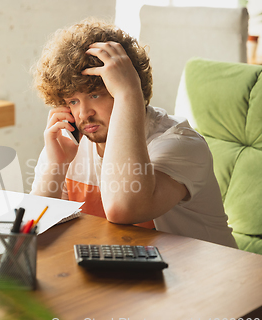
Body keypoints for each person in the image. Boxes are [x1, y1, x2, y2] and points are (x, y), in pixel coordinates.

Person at [30, 18, 237, 248]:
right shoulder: (70, 143)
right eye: (73, 101)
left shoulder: (180, 143)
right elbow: (35, 228)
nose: (84, 113)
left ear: (125, 87)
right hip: (127, 274)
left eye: (96, 95)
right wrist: (55, 166)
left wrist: (129, 94)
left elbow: (124, 208)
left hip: (209, 277)